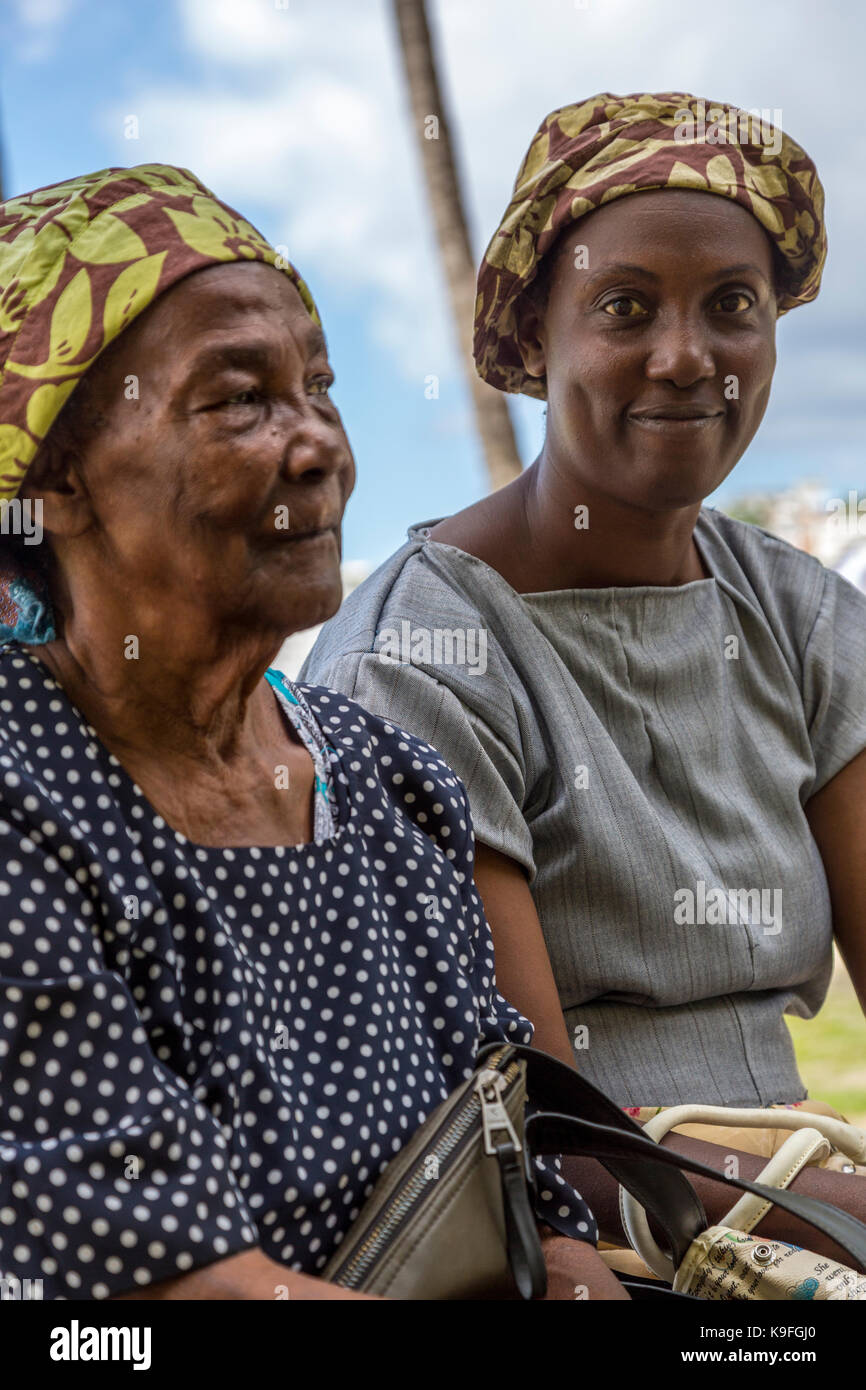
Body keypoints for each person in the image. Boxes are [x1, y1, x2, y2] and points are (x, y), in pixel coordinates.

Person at [0, 165, 620, 1300]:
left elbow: (520, 1158)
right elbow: (180, 1286)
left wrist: (578, 1277)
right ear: (56, 482)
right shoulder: (23, 796)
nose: (317, 446)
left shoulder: (386, 775)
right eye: (239, 398)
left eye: (318, 387)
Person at [302, 93, 866, 1258]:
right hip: (591, 1238)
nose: (684, 356)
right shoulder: (425, 658)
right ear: (534, 339)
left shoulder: (798, 614)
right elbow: (537, 1134)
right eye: (623, 308)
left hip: (800, 1201)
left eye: (731, 307)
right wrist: (830, 1210)